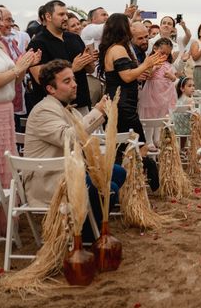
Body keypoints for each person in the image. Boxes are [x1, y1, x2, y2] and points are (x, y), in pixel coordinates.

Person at [23, 59, 125, 240]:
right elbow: (68, 138)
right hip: (49, 179)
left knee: (117, 172)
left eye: (74, 79)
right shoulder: (43, 111)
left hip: (68, 171)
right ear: (50, 89)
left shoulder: (68, 109)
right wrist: (98, 111)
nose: (75, 85)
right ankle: (85, 234)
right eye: (67, 81)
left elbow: (84, 139)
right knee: (110, 188)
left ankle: (89, 225)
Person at [0, 4, 40, 234]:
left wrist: (25, 65)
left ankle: (4, 221)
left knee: (5, 164)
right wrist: (17, 70)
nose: (3, 24)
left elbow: (13, 78)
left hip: (5, 112)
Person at [99, 13, 165, 189]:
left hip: (120, 102)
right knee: (138, 143)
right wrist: (146, 64)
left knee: (122, 146)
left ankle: (129, 183)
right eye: (128, 25)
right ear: (122, 28)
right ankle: (142, 177)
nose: (131, 28)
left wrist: (142, 70)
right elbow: (126, 76)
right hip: (122, 103)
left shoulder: (113, 48)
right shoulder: (118, 50)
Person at [27, 0, 96, 114]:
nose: (65, 18)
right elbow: (40, 79)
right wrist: (72, 68)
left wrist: (88, 62)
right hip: (55, 109)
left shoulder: (74, 38)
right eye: (61, 14)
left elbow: (90, 69)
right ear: (48, 16)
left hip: (81, 103)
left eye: (66, 14)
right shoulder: (37, 43)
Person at [138, 38, 177, 148]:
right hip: (152, 92)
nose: (164, 56)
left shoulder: (168, 64)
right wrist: (155, 68)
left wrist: (171, 77)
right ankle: (149, 140)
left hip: (165, 93)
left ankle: (157, 138)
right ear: (155, 48)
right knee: (151, 116)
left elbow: (174, 77)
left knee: (161, 116)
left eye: (167, 54)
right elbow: (147, 75)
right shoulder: (150, 61)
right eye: (162, 52)